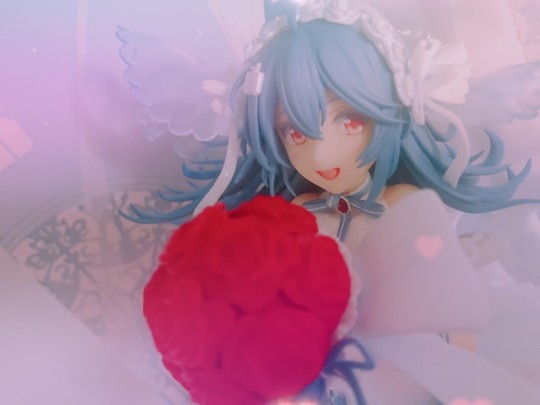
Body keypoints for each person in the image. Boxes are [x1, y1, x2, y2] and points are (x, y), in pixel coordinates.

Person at [122, 1, 540, 403]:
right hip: (330, 379)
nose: (321, 154)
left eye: (350, 120)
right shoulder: (295, 216)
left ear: (391, 110)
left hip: (417, 370)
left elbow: (448, 312)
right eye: (295, 132)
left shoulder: (404, 204)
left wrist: (448, 368)